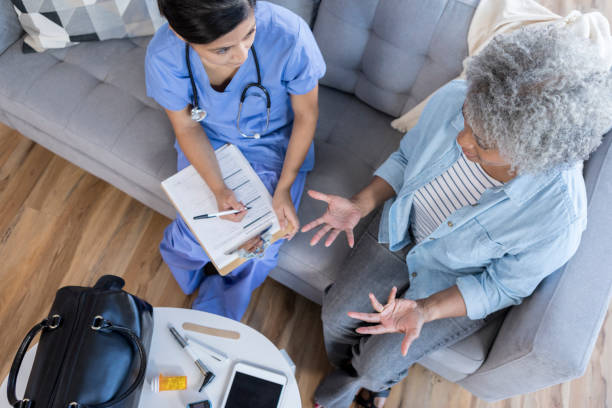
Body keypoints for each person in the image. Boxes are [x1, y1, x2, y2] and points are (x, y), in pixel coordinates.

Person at [302, 24, 612, 408]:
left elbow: (502, 287)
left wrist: (425, 309)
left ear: (531, 153)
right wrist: (362, 204)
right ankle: (349, 375)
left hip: (453, 282)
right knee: (334, 318)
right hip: (401, 230)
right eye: (467, 118)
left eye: (483, 142)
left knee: (376, 365)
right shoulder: (456, 97)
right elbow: (405, 158)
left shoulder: (558, 217)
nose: (463, 140)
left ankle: (369, 382)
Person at [145, 0, 325, 320]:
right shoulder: (165, 55)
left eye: (250, 33)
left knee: (258, 248)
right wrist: (218, 188)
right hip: (208, 139)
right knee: (193, 237)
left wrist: (283, 187)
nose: (242, 54)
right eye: (223, 49)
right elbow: (186, 125)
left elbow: (306, 114)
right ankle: (184, 266)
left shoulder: (289, 35)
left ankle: (211, 317)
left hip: (273, 144)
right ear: (179, 34)